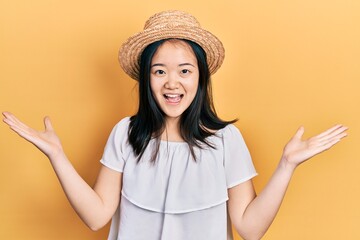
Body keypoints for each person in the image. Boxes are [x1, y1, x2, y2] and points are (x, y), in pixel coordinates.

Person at [2, 10, 348, 240]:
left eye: (185, 70)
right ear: (147, 78)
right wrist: (56, 155)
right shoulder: (127, 133)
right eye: (159, 70)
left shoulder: (226, 140)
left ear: (200, 78)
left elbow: (250, 228)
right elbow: (96, 217)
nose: (172, 82)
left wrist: (287, 165)